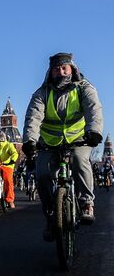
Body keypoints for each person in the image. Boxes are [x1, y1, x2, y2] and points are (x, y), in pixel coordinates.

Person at [22, 52, 103, 238]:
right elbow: (33, 117)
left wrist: (95, 132)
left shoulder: (84, 88)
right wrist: (29, 141)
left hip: (80, 140)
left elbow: (94, 109)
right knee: (42, 174)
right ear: (50, 72)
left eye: (64, 68)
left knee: (80, 160)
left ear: (72, 69)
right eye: (56, 69)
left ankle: (86, 204)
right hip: (49, 143)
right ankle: (51, 215)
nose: (61, 72)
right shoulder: (42, 93)